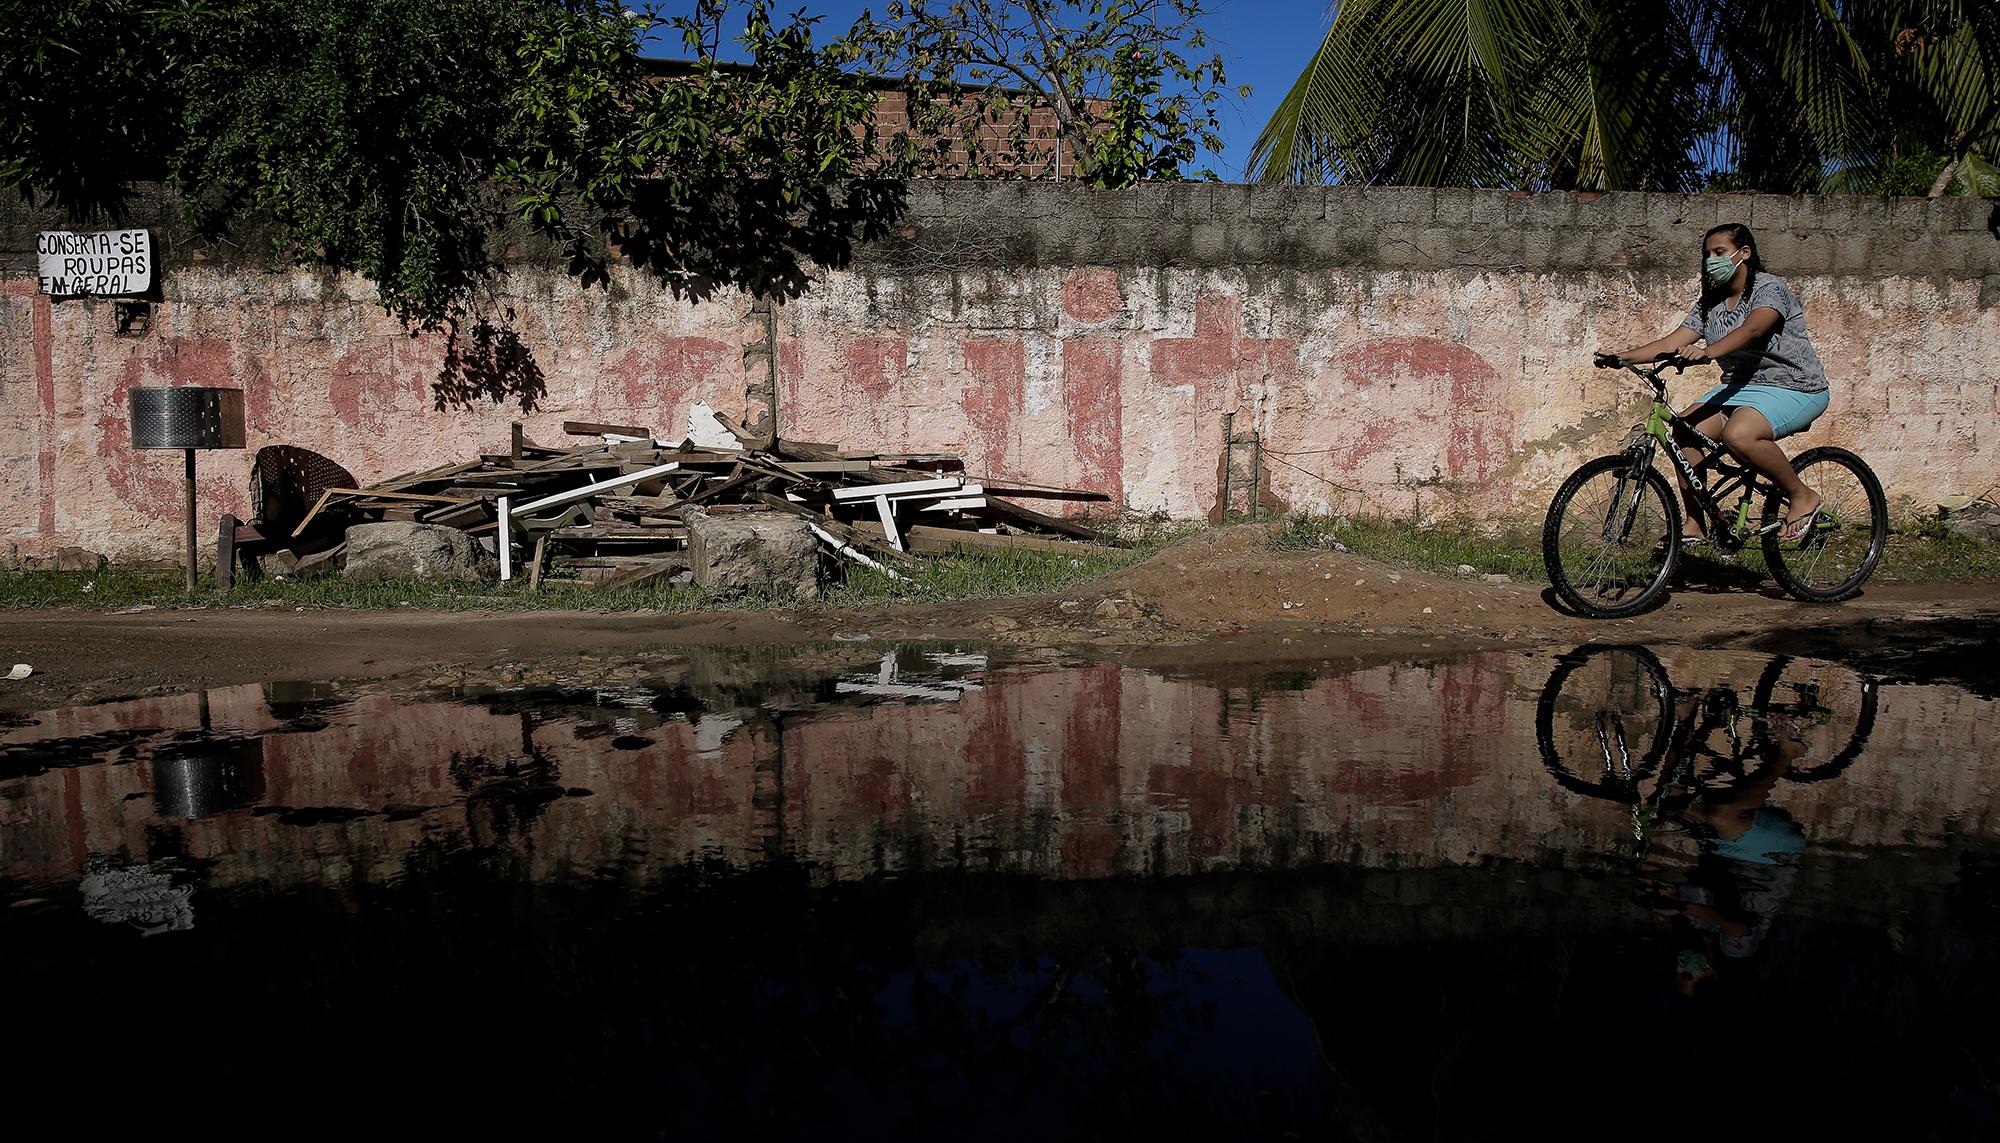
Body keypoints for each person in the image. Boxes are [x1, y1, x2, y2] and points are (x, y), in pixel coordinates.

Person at [1596, 223, 1832, 544]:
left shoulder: (1769, 288)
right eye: (1707, 254)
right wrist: (1622, 357)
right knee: (1682, 431)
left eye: (1719, 252)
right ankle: (1695, 524)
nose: (1711, 260)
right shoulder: (1710, 304)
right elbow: (1671, 340)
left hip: (1793, 386)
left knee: (1739, 435)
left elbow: (1751, 330)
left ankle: (1801, 495)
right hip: (1739, 389)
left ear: (1744, 254)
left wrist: (1707, 353)